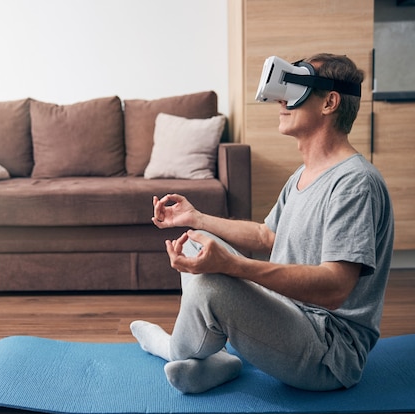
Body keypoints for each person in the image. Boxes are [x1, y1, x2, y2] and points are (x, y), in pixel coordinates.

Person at [130, 53, 394, 394]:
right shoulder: (303, 174)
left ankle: (173, 350)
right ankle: (217, 361)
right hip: (289, 316)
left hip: (328, 351)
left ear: (329, 102)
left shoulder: (355, 183)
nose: (282, 100)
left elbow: (334, 289)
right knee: (197, 240)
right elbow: (266, 235)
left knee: (212, 284)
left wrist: (234, 266)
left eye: (297, 89)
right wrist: (195, 218)